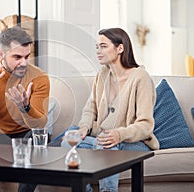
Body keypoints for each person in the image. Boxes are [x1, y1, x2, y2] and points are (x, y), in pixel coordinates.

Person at [52, 28, 160, 192]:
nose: (98, 51)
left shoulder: (140, 77)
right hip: (103, 138)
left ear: (120, 48)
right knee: (69, 139)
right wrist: (83, 128)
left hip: (134, 142)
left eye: (103, 46)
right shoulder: (102, 75)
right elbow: (90, 109)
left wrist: (119, 134)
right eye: (97, 47)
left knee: (105, 146)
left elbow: (145, 125)